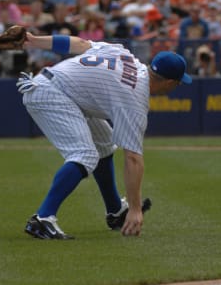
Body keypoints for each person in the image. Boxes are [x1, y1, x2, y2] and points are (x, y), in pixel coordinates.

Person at [15, 31, 192, 239]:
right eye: (179, 82)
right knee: (84, 154)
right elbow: (133, 159)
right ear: (170, 82)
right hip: (51, 93)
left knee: (104, 144)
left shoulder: (124, 54)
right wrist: (136, 209)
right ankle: (43, 219)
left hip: (57, 86)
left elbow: (79, 43)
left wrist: (34, 41)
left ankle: (115, 211)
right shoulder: (135, 99)